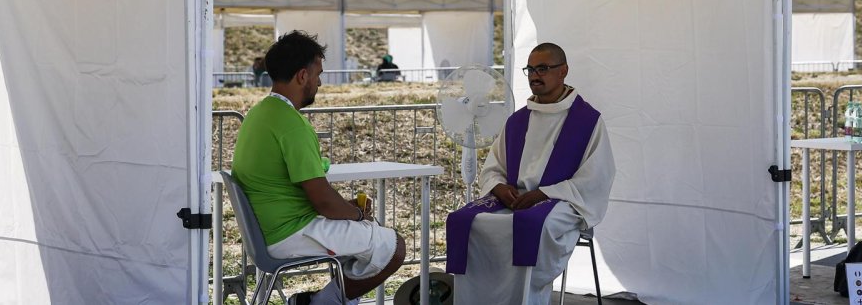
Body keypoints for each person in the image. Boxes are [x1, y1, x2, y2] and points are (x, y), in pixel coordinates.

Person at [231, 31, 406, 305]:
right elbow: (323, 200)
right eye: (318, 74)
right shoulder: (291, 125)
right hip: (289, 233)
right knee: (394, 247)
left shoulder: (258, 114)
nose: (320, 83)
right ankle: (319, 303)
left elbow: (312, 195)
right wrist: (358, 214)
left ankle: (322, 300)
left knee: (366, 236)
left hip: (269, 231)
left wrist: (346, 210)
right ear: (303, 76)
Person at [446, 43, 615, 304]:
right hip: (513, 199)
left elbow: (596, 178)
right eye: (531, 69)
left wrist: (543, 194)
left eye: (542, 69)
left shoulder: (587, 121)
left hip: (562, 200)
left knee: (533, 226)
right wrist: (499, 187)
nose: (535, 76)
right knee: (463, 221)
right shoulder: (517, 121)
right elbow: (494, 167)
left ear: (563, 71)